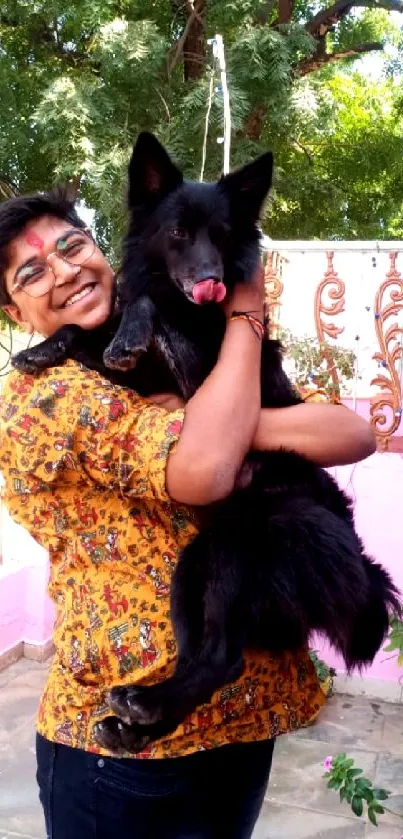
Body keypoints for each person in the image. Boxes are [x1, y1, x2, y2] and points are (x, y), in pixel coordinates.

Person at [0, 190, 376, 839]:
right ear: (11, 310)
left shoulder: (175, 324)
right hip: (123, 755)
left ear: (100, 248)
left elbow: (348, 432)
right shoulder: (41, 396)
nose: (64, 271)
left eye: (73, 247)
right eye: (32, 272)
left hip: (241, 725)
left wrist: (233, 371)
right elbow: (202, 471)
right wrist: (241, 341)